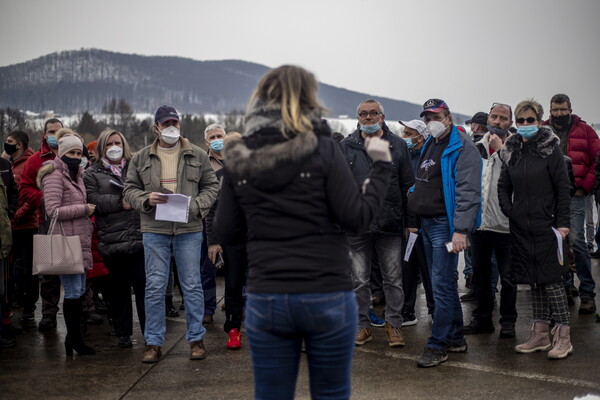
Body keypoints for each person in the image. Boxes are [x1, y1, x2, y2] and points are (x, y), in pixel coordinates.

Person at [214, 65, 392, 400]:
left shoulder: (239, 156)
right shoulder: (323, 148)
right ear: (308, 99)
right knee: (331, 393)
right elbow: (356, 217)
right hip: (326, 291)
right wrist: (381, 166)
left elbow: (226, 229)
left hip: (269, 294)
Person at [124, 105, 219, 363]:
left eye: (174, 123)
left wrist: (197, 206)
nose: (171, 128)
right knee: (154, 286)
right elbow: (129, 189)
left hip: (188, 228)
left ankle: (196, 339)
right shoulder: (141, 157)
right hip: (155, 229)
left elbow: (211, 186)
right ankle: (153, 343)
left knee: (191, 284)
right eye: (166, 124)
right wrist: (145, 198)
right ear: (156, 127)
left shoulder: (197, 155)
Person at [407, 98, 482, 368]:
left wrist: (461, 230)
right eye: (427, 118)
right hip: (426, 224)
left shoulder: (463, 147)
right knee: (445, 284)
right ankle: (454, 336)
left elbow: (468, 192)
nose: (431, 122)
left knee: (440, 285)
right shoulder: (431, 143)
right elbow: (422, 180)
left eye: (435, 116)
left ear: (448, 117)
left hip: (444, 226)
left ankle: (437, 344)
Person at [498, 98, 573, 359]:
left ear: (540, 121)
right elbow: (503, 185)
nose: (526, 124)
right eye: (521, 121)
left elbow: (563, 190)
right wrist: (511, 210)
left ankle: (564, 337)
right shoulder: (512, 150)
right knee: (534, 281)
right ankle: (540, 334)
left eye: (530, 120)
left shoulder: (551, 149)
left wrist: (562, 223)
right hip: (521, 226)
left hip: (548, 225)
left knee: (552, 280)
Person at [339, 99, 414, 347]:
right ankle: (363, 326)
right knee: (359, 279)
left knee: (393, 278)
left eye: (373, 113)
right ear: (357, 117)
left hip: (390, 222)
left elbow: (407, 187)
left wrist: (410, 221)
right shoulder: (346, 146)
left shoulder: (398, 145)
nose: (368, 117)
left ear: (382, 116)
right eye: (363, 114)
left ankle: (393, 324)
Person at [84, 129, 146, 348]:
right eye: (109, 143)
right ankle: (123, 332)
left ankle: (151, 332)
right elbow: (93, 200)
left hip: (140, 237)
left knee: (144, 290)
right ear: (102, 146)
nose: (114, 146)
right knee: (118, 292)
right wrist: (120, 202)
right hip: (112, 240)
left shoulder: (136, 166)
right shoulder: (91, 173)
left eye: (117, 142)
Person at [37, 130, 95, 356]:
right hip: (66, 241)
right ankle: (73, 339)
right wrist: (83, 209)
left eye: (79, 152)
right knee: (72, 292)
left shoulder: (76, 175)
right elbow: (52, 210)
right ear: (61, 153)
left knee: (79, 291)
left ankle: (74, 338)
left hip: (78, 240)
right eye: (71, 151)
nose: (76, 156)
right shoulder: (54, 175)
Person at [463, 103, 517, 338]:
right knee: (481, 277)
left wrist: (502, 149)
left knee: (508, 278)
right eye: (494, 116)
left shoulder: (518, 148)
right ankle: (483, 319)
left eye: (503, 118)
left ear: (510, 122)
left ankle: (508, 322)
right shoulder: (476, 148)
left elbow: (522, 176)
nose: (497, 121)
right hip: (481, 223)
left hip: (507, 225)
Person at [543, 93, 600, 315]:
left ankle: (587, 293)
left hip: (575, 194)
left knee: (577, 241)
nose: (559, 114)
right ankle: (565, 287)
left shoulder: (585, 130)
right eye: (555, 110)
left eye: (562, 110)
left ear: (570, 109)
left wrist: (585, 185)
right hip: (549, 196)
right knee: (556, 243)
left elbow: (597, 159)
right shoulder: (542, 129)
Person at [17, 118, 63, 331]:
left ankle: (83, 311)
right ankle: (48, 314)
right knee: (49, 271)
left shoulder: (73, 154)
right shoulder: (36, 160)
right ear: (44, 134)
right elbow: (24, 188)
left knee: (78, 267)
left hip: (73, 219)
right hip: (45, 221)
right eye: (50, 131)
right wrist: (43, 199)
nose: (54, 134)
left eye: (58, 131)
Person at [399, 119, 434, 324]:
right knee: (407, 268)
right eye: (403, 132)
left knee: (428, 268)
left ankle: (433, 308)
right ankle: (407, 310)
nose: (404, 136)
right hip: (407, 221)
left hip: (424, 221)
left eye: (408, 132)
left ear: (420, 137)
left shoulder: (427, 158)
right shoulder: (405, 157)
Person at [4, 131, 38, 323]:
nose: (6, 145)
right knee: (13, 268)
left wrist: (17, 215)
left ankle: (29, 306)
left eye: (9, 142)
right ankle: (15, 301)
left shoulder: (29, 163)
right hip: (10, 225)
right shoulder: (7, 164)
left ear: (19, 145)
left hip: (26, 224)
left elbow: (32, 194)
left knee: (28, 268)